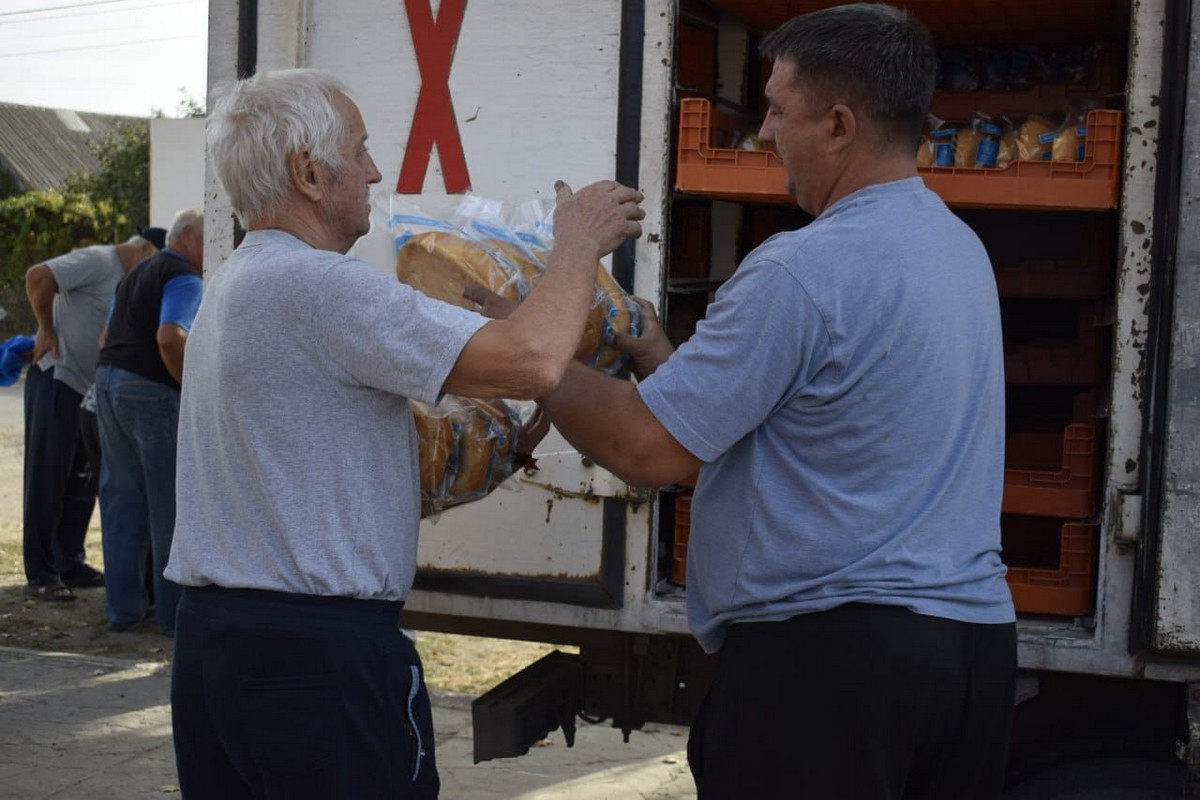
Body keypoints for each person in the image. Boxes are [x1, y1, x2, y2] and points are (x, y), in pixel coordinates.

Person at [517, 5, 1017, 798]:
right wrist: (658, 359)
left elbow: (648, 451)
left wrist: (525, 355)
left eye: (780, 110)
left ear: (841, 125)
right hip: (967, 654)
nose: (763, 134)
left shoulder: (804, 268)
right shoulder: (953, 246)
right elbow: (817, 425)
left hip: (831, 668)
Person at [163, 67, 644, 799]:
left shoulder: (238, 283)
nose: (376, 171)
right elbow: (533, 360)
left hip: (222, 645)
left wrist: (498, 449)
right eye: (359, 151)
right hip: (316, 662)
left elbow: (322, 472)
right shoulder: (324, 287)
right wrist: (575, 245)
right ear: (310, 173)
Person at [22, 229, 161, 601]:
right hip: (59, 375)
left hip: (90, 392)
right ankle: (41, 573)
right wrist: (45, 329)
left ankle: (70, 561)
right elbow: (38, 276)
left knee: (82, 480)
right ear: (145, 248)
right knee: (48, 476)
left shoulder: (127, 278)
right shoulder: (99, 260)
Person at [94, 208, 204, 635]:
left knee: (122, 504)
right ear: (191, 239)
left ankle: (122, 611)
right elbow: (169, 336)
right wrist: (189, 389)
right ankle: (174, 618)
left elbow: (106, 337)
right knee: (169, 508)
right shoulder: (185, 276)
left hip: (108, 383)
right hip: (151, 393)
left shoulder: (136, 273)